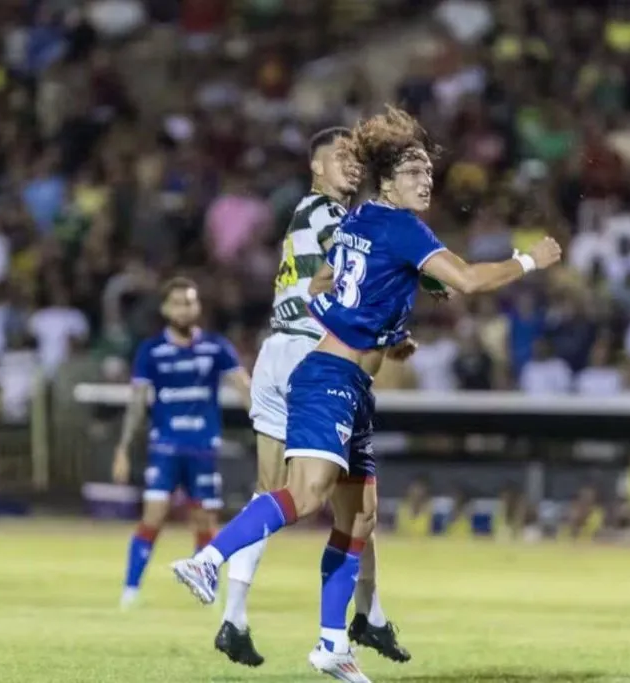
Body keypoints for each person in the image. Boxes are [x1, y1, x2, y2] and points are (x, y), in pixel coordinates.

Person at [171, 106, 561, 682]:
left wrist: (382, 331)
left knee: (359, 519)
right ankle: (208, 560)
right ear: (386, 179)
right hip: (327, 379)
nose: (425, 181)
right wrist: (531, 259)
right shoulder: (402, 227)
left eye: (428, 172)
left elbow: (325, 284)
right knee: (304, 496)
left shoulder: (358, 220)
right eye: (413, 171)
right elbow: (472, 281)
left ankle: (332, 645)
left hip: (353, 384)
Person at [216, 126, 409, 668]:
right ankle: (363, 617)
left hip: (276, 354)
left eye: (355, 158)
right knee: (351, 499)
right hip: (313, 358)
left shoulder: (311, 215)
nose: (351, 165)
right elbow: (360, 265)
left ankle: (234, 616)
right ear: (315, 169)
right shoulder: (330, 217)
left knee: (270, 490)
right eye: (338, 157)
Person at [112, 277, 251, 606]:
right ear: (164, 309)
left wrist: (268, 422)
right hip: (165, 448)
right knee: (154, 515)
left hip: (203, 448)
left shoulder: (216, 347)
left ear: (197, 307)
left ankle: (208, 593)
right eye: (177, 303)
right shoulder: (151, 351)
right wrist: (123, 448)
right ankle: (130, 590)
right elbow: (137, 402)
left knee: (205, 519)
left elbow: (244, 388)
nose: (184, 309)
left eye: (189, 302)